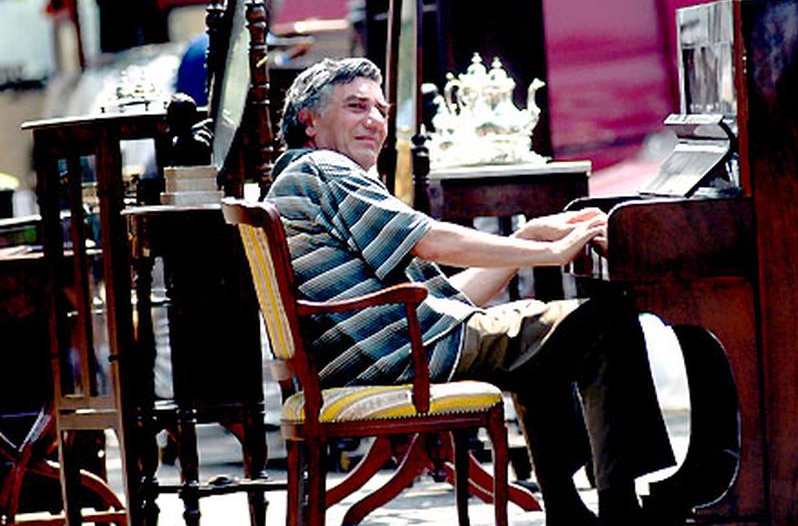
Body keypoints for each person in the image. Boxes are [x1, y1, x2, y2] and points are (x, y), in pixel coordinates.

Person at [266, 57, 675, 524]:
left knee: (548, 338)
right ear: (309, 121)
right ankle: (621, 511)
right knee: (604, 321)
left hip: (392, 349)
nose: (375, 121)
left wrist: (525, 242)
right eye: (356, 107)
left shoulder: (299, 177)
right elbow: (431, 238)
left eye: (380, 109)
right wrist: (555, 252)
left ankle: (568, 508)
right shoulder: (323, 170)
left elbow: (448, 303)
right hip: (401, 358)